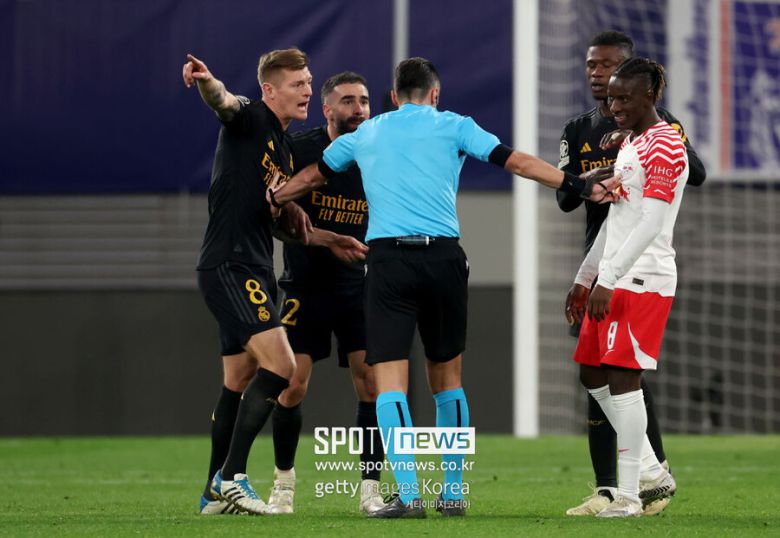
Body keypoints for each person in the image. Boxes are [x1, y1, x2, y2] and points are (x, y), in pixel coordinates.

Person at [268, 57, 620, 518]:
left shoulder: (367, 133)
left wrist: (274, 197)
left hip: (388, 261)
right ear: (435, 94)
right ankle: (452, 493)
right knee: (448, 382)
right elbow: (517, 161)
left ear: (393, 98)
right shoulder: (456, 125)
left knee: (389, 383)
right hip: (443, 260)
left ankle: (409, 495)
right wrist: (580, 185)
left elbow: (314, 175)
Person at [182, 49, 367, 515]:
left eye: (308, 82)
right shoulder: (252, 118)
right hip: (231, 265)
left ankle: (211, 495)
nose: (307, 90)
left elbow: (282, 225)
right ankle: (232, 477)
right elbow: (223, 101)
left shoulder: (282, 149)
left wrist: (329, 238)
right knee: (283, 366)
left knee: (238, 379)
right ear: (269, 90)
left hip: (255, 266)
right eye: (297, 84)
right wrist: (206, 81)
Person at [557, 31, 706, 517]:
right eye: (613, 98)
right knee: (592, 371)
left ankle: (626, 496)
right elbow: (617, 218)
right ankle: (651, 470)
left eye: (624, 98)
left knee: (624, 378)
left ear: (651, 95)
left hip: (643, 276)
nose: (614, 106)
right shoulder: (629, 146)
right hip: (613, 274)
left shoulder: (666, 146)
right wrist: (586, 277)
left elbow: (652, 222)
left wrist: (609, 278)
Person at [265, 71, 386, 515]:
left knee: (370, 384)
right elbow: (274, 212)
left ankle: (370, 489)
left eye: (364, 101)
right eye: (348, 101)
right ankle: (283, 484)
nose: (359, 109)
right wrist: (322, 238)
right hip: (306, 284)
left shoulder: (379, 150)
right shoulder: (300, 150)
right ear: (327, 109)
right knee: (291, 385)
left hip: (359, 285)